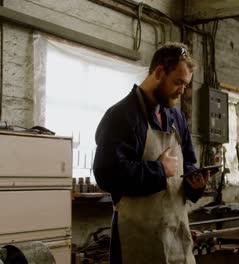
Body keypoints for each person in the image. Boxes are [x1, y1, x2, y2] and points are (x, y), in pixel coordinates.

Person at [93, 42, 209, 264]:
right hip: (136, 239)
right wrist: (159, 170)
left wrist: (195, 183)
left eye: (185, 85)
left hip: (175, 234)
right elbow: (107, 175)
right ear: (158, 72)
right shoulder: (121, 116)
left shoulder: (177, 118)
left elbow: (188, 165)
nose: (182, 91)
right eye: (178, 82)